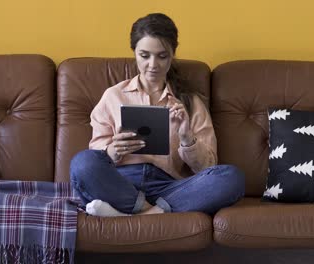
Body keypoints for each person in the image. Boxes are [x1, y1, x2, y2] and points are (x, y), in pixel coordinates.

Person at [70, 13, 245, 217]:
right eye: (145, 56)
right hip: (121, 183)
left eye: (162, 56)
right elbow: (95, 158)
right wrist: (111, 151)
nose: (153, 65)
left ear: (172, 55)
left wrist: (187, 137)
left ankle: (129, 213)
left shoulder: (189, 102)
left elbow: (208, 167)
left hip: (169, 187)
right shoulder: (113, 96)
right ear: (134, 52)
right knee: (82, 162)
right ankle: (150, 211)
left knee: (232, 177)